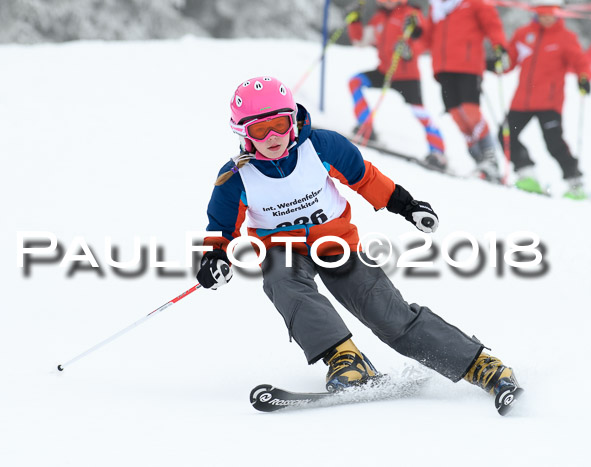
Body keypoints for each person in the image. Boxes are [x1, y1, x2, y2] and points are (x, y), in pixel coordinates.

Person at [196, 75, 523, 415]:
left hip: (335, 243)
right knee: (281, 280)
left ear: (292, 120)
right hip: (283, 250)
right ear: (244, 134)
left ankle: (480, 365)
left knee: (387, 314)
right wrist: (215, 258)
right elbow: (221, 229)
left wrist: (407, 205)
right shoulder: (236, 178)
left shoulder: (321, 146)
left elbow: (364, 178)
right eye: (261, 130)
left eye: (280, 124)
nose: (274, 137)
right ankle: (346, 359)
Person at [495, 0, 590, 199]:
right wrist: (498, 61)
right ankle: (527, 173)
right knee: (505, 135)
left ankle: (575, 183)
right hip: (522, 101)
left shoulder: (565, 38)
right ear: (536, 13)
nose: (547, 18)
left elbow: (579, 62)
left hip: (549, 102)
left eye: (551, 14)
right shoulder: (523, 34)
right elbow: (509, 62)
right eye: (543, 14)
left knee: (554, 143)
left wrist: (583, 79)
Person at [347, 0, 448, 170]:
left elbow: (423, 39)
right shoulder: (379, 17)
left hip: (406, 75)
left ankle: (438, 152)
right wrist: (353, 20)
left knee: (419, 111)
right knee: (355, 81)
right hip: (385, 71)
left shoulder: (411, 13)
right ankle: (366, 127)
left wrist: (411, 48)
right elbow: (361, 40)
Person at [423, 0, 509, 182]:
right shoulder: (436, 7)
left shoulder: (474, 2)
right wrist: (416, 35)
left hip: (468, 66)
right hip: (443, 68)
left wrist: (499, 46)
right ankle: (478, 159)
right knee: (457, 115)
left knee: (470, 112)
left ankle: (490, 159)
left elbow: (492, 24)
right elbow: (427, 38)